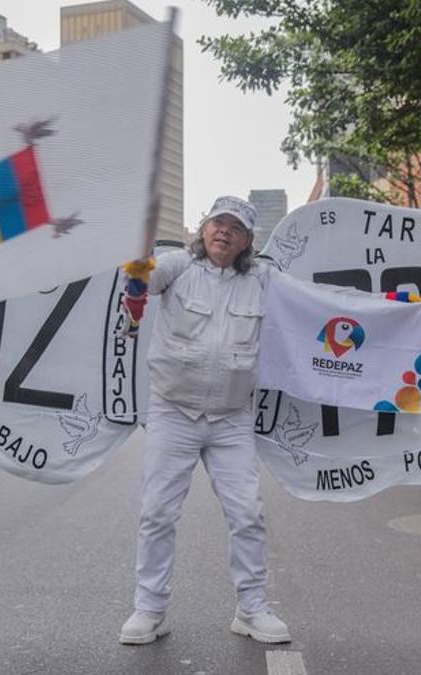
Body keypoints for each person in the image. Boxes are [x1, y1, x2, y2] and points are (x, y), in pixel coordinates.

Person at [118, 196, 291, 646]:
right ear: (204, 228)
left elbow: (313, 304)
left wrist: (393, 305)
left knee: (248, 513)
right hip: (173, 411)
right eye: (218, 223)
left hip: (232, 418)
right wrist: (135, 257)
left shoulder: (263, 280)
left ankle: (251, 609)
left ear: (247, 241)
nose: (224, 232)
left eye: (235, 228)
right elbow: (143, 277)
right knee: (157, 512)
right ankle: (149, 610)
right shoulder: (178, 267)